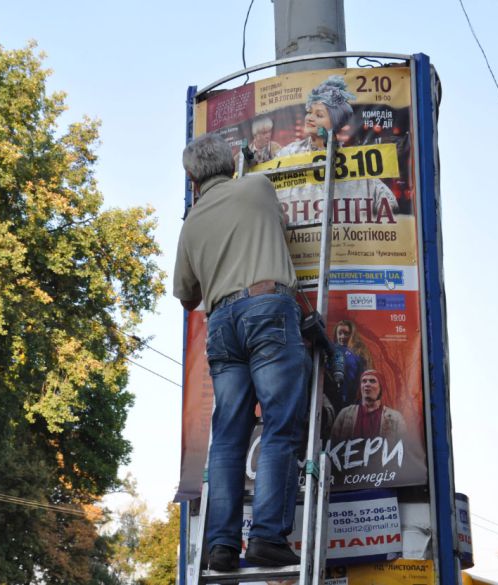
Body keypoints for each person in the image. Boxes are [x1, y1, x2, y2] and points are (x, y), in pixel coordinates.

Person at [174, 133, 311, 572]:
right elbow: (281, 227)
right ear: (232, 164)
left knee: (229, 437)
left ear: (193, 179)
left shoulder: (190, 223)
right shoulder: (257, 188)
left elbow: (185, 295)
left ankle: (221, 546)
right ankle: (268, 536)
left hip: (221, 326)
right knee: (279, 425)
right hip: (267, 307)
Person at [275, 75, 398, 222]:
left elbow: (389, 201)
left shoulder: (353, 160)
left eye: (319, 114)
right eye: (309, 112)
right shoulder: (288, 153)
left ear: (334, 122)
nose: (309, 118)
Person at [330, 369, 406, 445]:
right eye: (364, 381)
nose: (367, 384)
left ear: (381, 387)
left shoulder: (395, 418)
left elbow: (404, 447)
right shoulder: (345, 414)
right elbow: (332, 445)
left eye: (372, 381)